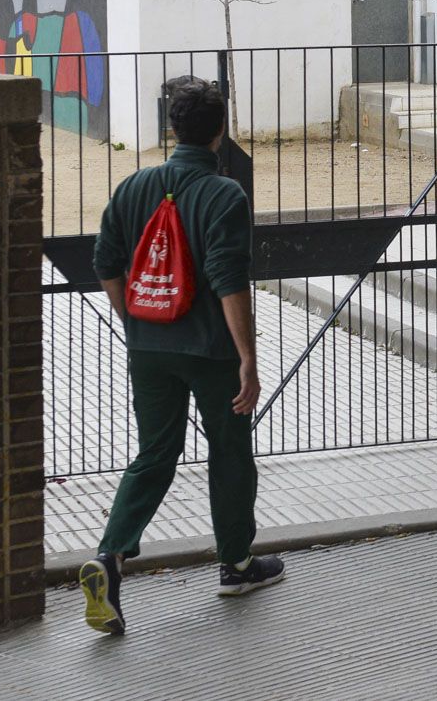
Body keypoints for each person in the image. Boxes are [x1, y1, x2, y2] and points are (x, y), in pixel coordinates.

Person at [79, 77, 285, 635]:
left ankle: (110, 556)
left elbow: (105, 260)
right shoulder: (224, 194)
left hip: (150, 348)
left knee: (155, 454)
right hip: (212, 351)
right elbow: (227, 277)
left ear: (173, 128)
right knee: (229, 449)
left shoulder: (133, 186)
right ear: (220, 131)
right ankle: (237, 564)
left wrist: (135, 322)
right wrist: (248, 356)